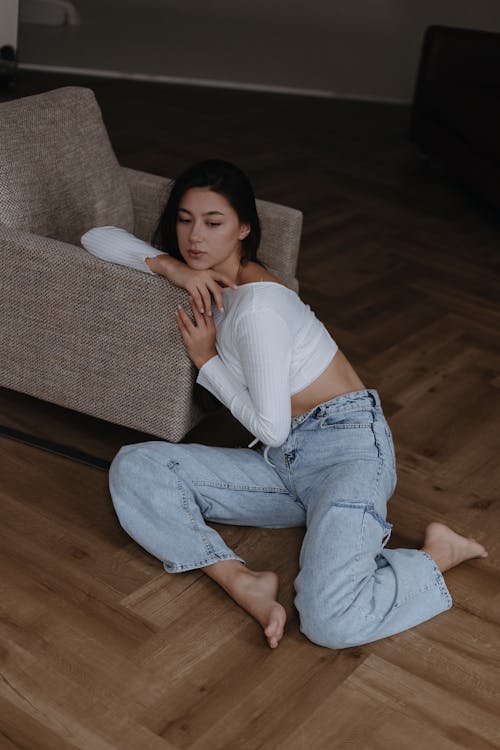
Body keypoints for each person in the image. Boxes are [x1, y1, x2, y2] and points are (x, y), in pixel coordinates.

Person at [96, 159, 487, 650]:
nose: (195, 236)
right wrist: (168, 265)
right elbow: (98, 237)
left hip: (347, 453)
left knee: (329, 622)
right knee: (137, 465)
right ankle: (240, 580)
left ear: (243, 229)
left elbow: (272, 426)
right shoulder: (208, 277)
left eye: (213, 223)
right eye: (184, 219)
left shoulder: (257, 308)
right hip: (282, 465)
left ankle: (436, 555)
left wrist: (207, 360)